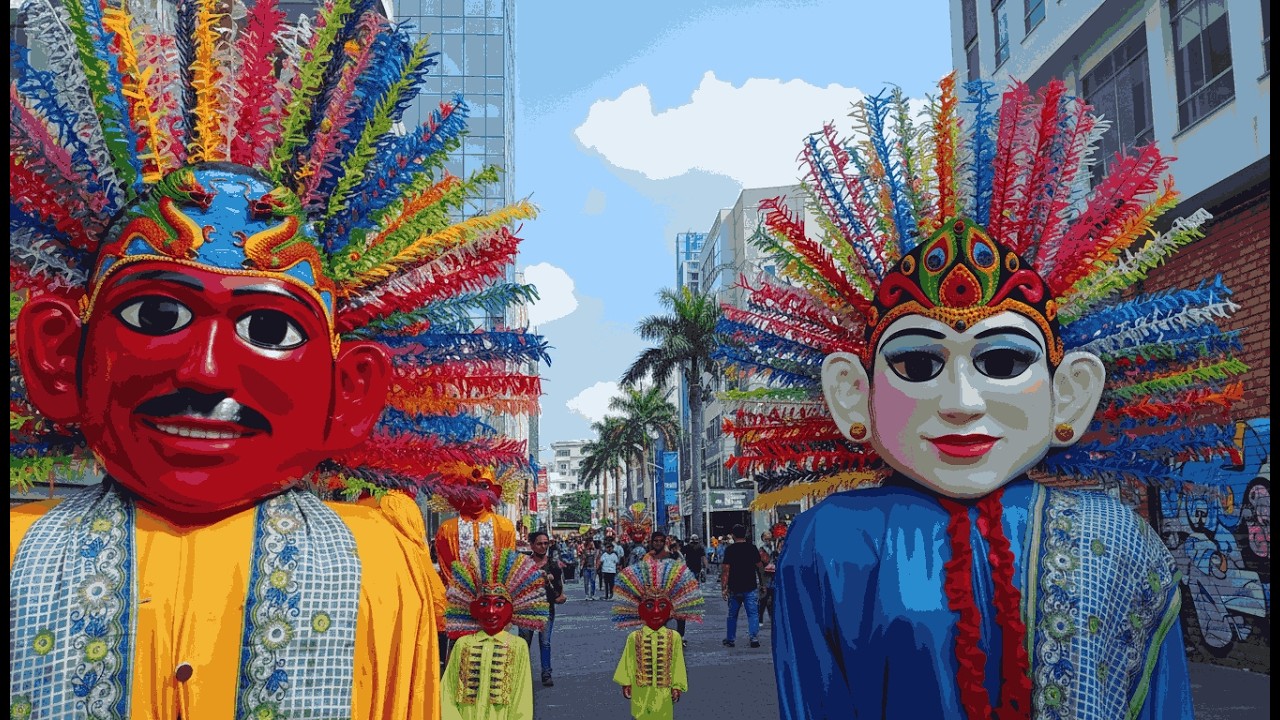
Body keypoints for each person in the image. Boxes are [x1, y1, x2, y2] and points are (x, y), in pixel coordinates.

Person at [8, 2, 547, 716]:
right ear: (57, 356)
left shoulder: (382, 568)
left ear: (348, 393)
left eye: (269, 327)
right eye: (157, 315)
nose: (203, 370)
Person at [717, 76, 1226, 718]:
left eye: (1004, 361)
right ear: (853, 395)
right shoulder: (829, 545)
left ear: (1070, 395)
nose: (960, 400)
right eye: (917, 362)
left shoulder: (1118, 539)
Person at [441, 548, 548, 720]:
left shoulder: (517, 646)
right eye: (484, 604)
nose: (491, 611)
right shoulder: (463, 644)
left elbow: (522, 697)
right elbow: (447, 692)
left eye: (499, 604)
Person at [611, 559, 704, 720]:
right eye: (648, 606)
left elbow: (677, 663)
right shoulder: (634, 637)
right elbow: (629, 661)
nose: (655, 611)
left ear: (670, 611)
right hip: (641, 694)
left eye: (662, 606)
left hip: (663, 695)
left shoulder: (673, 637)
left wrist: (677, 685)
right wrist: (626, 682)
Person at [434, 466, 518, 585]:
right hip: (458, 597)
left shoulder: (504, 527)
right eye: (468, 485)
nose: (475, 493)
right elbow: (447, 569)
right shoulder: (447, 530)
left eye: (483, 486)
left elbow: (507, 565)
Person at [518, 530, 566, 687]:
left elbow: (559, 591)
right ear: (532, 545)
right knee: (524, 643)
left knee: (545, 642)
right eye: (539, 543)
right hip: (526, 609)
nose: (543, 546)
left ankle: (546, 673)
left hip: (546, 608)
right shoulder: (524, 564)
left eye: (546, 543)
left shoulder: (553, 564)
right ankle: (521, 674)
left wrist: (558, 594)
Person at [719, 524, 765, 649]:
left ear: (733, 535)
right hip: (750, 586)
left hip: (734, 587)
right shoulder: (752, 548)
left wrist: (724, 587)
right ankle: (753, 637)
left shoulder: (730, 550)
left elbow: (725, 570)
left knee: (732, 614)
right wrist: (762, 583)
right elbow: (760, 567)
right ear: (745, 534)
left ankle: (730, 638)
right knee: (753, 614)